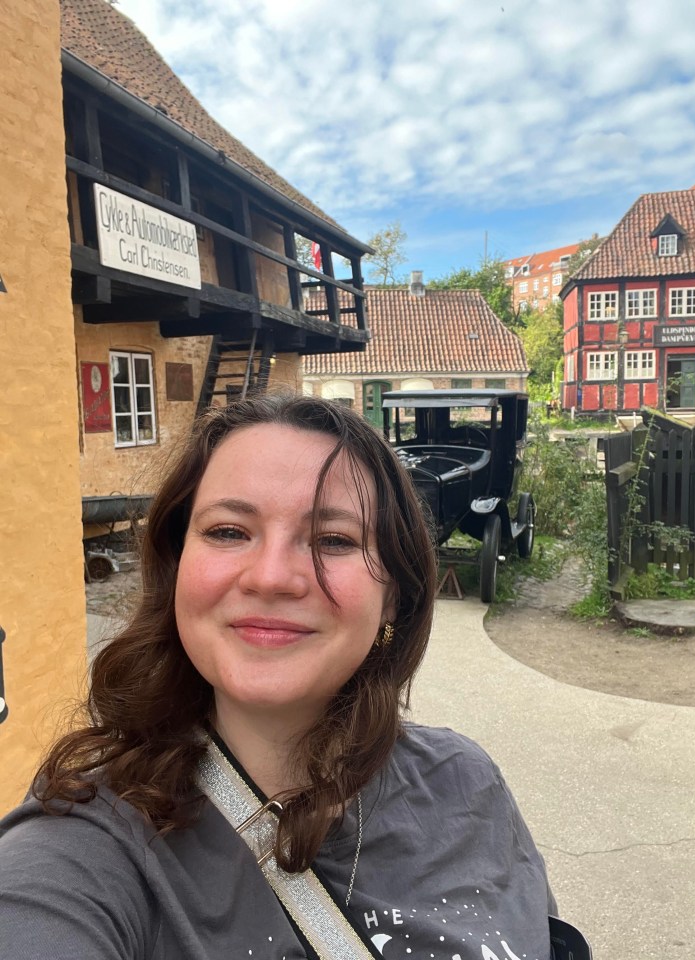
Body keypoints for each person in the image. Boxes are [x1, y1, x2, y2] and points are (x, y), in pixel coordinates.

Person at [0, 393, 558, 960]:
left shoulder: (467, 785)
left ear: (393, 595)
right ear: (176, 570)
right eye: (227, 531)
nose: (271, 578)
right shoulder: (84, 851)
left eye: (334, 540)